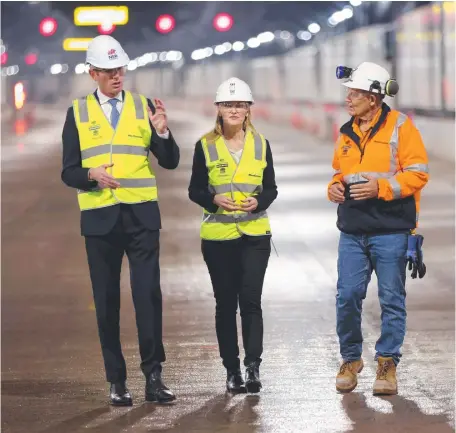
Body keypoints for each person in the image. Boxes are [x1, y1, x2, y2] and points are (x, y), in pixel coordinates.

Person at [61, 35, 179, 406]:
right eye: (108, 71)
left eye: (120, 69)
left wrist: (162, 130)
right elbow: (68, 171)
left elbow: (171, 160)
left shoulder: (145, 107)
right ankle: (116, 381)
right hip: (99, 220)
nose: (116, 76)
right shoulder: (77, 113)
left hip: (142, 215)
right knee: (107, 300)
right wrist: (90, 174)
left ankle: (154, 378)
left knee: (147, 296)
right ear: (92, 73)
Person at [328, 62, 429, 396]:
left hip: (391, 229)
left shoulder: (402, 127)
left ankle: (387, 363)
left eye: (355, 93)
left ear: (374, 97)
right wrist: (333, 188)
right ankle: (351, 359)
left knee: (391, 298)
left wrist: (380, 189)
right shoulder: (345, 131)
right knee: (347, 296)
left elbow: (418, 174)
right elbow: (337, 172)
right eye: (348, 92)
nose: (349, 98)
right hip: (353, 230)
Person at [188, 77, 278, 394]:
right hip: (218, 237)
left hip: (255, 235)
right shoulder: (205, 146)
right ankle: (231, 370)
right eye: (228, 104)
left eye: (240, 104)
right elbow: (194, 189)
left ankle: (253, 367)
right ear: (219, 109)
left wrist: (260, 201)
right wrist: (212, 199)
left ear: (248, 108)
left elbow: (271, 188)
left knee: (251, 301)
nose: (234, 109)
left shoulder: (261, 144)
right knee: (226, 304)